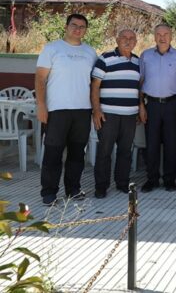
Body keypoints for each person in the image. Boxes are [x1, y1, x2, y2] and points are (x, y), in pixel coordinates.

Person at [36, 13, 97, 206]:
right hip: (57, 109)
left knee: (77, 153)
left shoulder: (90, 52)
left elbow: (95, 83)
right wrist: (41, 106)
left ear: (85, 30)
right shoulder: (52, 48)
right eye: (74, 25)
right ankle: (49, 193)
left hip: (82, 110)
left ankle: (73, 189)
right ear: (66, 26)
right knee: (53, 152)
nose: (77, 29)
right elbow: (40, 79)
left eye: (82, 26)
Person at [139, 23, 176, 193]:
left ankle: (169, 180)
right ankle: (151, 179)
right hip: (151, 104)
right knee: (151, 144)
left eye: (166, 34)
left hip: (172, 105)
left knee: (171, 144)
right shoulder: (145, 56)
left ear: (171, 36)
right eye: (159, 34)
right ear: (154, 36)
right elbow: (140, 82)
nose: (162, 37)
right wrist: (141, 106)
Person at [91, 29, 140, 198]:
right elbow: (95, 86)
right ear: (117, 39)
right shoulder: (105, 59)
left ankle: (122, 183)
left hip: (130, 115)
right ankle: (101, 187)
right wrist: (96, 111)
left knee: (125, 151)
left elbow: (138, 88)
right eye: (124, 38)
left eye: (132, 38)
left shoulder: (138, 62)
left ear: (136, 41)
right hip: (108, 115)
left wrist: (140, 109)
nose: (128, 41)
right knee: (105, 151)